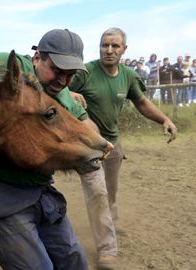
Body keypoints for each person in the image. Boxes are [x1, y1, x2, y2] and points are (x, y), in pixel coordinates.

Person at [0, 29, 112, 270]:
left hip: (39, 191)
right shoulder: (15, 68)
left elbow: (83, 122)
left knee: (74, 260)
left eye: (70, 75)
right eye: (58, 70)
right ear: (38, 57)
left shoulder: (60, 92)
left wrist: (99, 141)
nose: (63, 80)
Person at [69, 27, 177, 270]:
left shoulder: (127, 75)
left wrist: (164, 120)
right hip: (88, 144)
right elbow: (60, 88)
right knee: (97, 193)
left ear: (124, 49)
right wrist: (71, 93)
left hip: (114, 143)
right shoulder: (86, 72)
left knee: (111, 190)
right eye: (104, 45)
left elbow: (141, 102)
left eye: (114, 46)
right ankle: (107, 249)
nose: (109, 50)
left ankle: (111, 222)